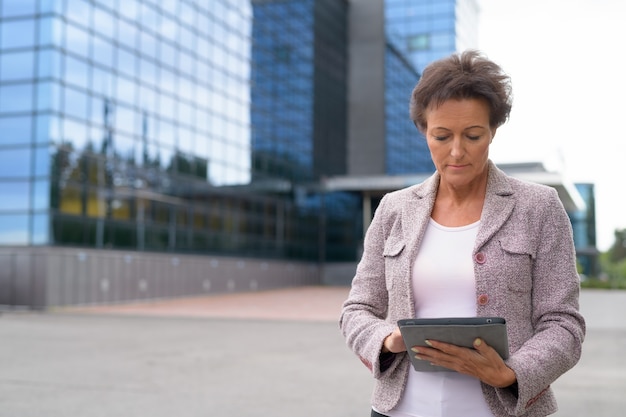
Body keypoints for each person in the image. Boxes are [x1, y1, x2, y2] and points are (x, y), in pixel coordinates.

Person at [339, 50, 585, 417]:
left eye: (472, 135)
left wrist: (511, 373)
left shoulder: (539, 206)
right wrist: (389, 339)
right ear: (424, 130)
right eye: (441, 136)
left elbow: (564, 323)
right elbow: (357, 309)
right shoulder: (394, 208)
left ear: (493, 131)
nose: (456, 152)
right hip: (400, 409)